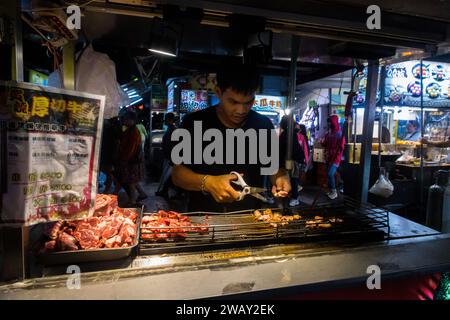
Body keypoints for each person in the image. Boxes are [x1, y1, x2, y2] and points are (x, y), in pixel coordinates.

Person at [171, 62, 291, 212]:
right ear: (219, 92)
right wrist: (207, 182)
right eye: (233, 102)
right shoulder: (194, 123)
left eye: (248, 102)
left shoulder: (263, 125)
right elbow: (177, 174)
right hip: (202, 218)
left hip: (250, 218)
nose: (241, 110)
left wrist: (281, 178)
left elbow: (275, 168)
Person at [114, 110, 145, 206]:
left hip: (131, 160)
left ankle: (133, 200)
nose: (124, 121)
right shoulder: (130, 130)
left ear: (132, 120)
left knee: (131, 181)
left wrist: (124, 159)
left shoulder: (133, 132)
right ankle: (142, 194)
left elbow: (130, 148)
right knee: (133, 180)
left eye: (126, 119)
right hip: (133, 160)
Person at [279, 116, 305, 207]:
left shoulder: (288, 134)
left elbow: (287, 149)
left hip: (291, 160)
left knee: (292, 180)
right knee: (292, 179)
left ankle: (294, 197)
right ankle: (293, 197)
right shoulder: (291, 133)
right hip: (291, 159)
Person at [321, 115, 345, 200]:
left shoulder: (340, 134)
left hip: (335, 158)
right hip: (329, 157)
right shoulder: (329, 133)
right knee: (329, 174)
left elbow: (341, 147)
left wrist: (336, 155)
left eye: (330, 122)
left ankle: (334, 191)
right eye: (329, 122)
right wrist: (322, 142)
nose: (329, 123)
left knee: (330, 173)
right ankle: (331, 190)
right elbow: (325, 143)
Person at [156, 112, 177, 199]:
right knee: (167, 175)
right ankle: (165, 191)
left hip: (171, 156)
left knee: (168, 175)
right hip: (168, 156)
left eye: (166, 119)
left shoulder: (173, 130)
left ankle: (165, 191)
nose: (164, 121)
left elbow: (175, 144)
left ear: (170, 120)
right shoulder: (170, 129)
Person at [297, 124, 310, 192]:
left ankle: (298, 185)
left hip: (302, 158)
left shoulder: (303, 137)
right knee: (300, 172)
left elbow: (305, 149)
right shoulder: (302, 136)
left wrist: (306, 159)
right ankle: (298, 185)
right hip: (302, 158)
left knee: (299, 172)